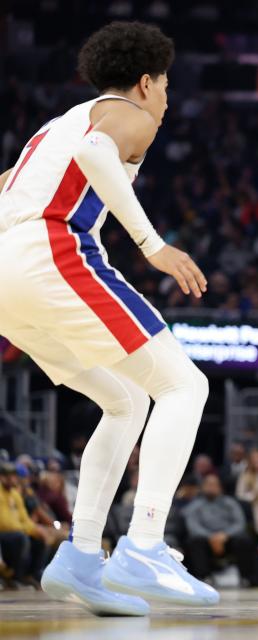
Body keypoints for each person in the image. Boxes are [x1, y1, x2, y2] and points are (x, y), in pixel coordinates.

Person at [0, 22, 214, 615]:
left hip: (8, 281)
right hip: (54, 253)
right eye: (166, 88)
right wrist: (153, 246)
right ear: (145, 82)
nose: (167, 102)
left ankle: (80, 553)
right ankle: (144, 542)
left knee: (125, 401)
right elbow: (97, 152)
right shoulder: (126, 113)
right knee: (184, 385)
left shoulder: (51, 128)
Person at [182, 474, 257, 587]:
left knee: (244, 540)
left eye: (214, 485)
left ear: (220, 487)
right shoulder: (195, 505)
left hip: (228, 539)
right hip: (206, 539)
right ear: (202, 487)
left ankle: (246, 578)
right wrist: (211, 537)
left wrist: (224, 535)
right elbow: (193, 526)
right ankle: (204, 577)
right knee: (194, 541)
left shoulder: (230, 503)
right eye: (208, 485)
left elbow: (239, 523)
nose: (211, 487)